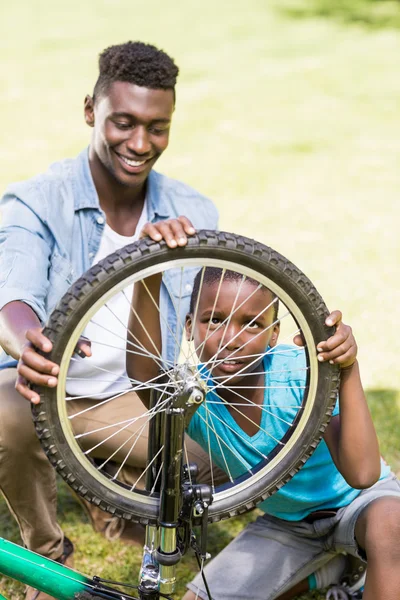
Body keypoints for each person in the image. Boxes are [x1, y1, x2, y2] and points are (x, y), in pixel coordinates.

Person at [0, 42, 218, 600]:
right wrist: (31, 343)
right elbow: (11, 297)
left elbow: (209, 322)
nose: (140, 144)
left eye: (157, 127)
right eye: (124, 123)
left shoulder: (191, 211)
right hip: (40, 391)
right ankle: (47, 557)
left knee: (215, 464)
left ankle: (113, 508)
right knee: (6, 413)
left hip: (128, 396)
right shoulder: (36, 202)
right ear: (91, 111)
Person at [126, 223, 400, 600]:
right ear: (189, 327)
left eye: (251, 324)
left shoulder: (299, 375)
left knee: (393, 527)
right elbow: (143, 374)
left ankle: (359, 556)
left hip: (361, 507)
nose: (230, 338)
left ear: (274, 335)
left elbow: (363, 473)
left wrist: (346, 369)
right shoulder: (192, 396)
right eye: (214, 320)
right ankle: (335, 569)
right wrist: (148, 272)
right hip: (287, 525)